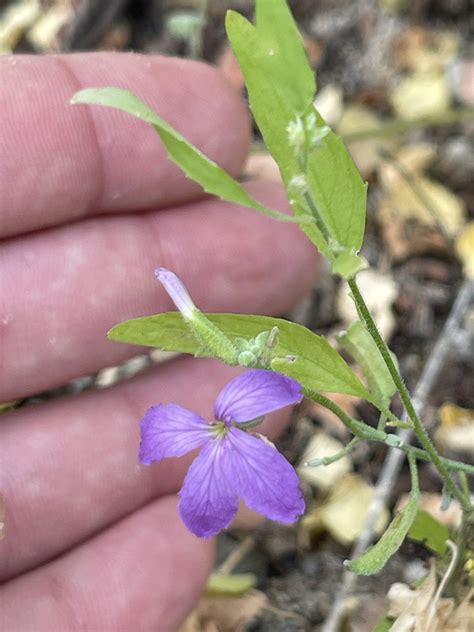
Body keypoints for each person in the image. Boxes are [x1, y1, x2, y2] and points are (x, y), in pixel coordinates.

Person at [0, 52, 317, 631]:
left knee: (253, 493)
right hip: (227, 413)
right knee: (212, 502)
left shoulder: (224, 422)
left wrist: (276, 380)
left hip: (230, 411)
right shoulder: (221, 423)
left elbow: (278, 388)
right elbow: (178, 438)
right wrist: (273, 380)